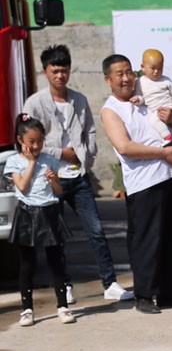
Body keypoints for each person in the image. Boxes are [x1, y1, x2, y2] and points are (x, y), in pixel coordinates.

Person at [22, 45, 132, 303]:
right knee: (56, 236)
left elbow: (90, 132)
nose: (60, 75)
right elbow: (28, 141)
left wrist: (87, 157)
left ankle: (110, 283)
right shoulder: (34, 103)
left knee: (95, 231)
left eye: (64, 70)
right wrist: (61, 153)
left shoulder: (79, 100)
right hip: (51, 178)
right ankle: (65, 286)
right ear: (45, 72)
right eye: (55, 71)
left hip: (79, 177)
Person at [99, 54, 172, 315]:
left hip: (169, 176)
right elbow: (125, 147)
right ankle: (145, 295)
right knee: (147, 240)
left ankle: (171, 294)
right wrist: (163, 153)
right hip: (144, 184)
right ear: (108, 79)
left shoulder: (145, 98)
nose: (126, 78)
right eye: (119, 74)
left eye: (129, 72)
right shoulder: (111, 110)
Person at [8, 114, 73, 326]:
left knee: (56, 261)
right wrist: (31, 163)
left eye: (40, 141)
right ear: (20, 140)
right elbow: (23, 187)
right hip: (27, 214)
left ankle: (63, 306)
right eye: (31, 142)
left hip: (49, 212)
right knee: (27, 263)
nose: (36, 146)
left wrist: (54, 181)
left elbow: (58, 190)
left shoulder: (50, 161)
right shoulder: (14, 161)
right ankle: (27, 309)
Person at [132, 49, 172, 147]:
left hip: (168, 107)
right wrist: (138, 99)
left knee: (153, 120)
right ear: (143, 67)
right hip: (155, 110)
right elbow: (141, 98)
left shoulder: (166, 80)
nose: (156, 72)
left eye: (160, 68)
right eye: (153, 68)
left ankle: (169, 138)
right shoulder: (139, 82)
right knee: (161, 123)